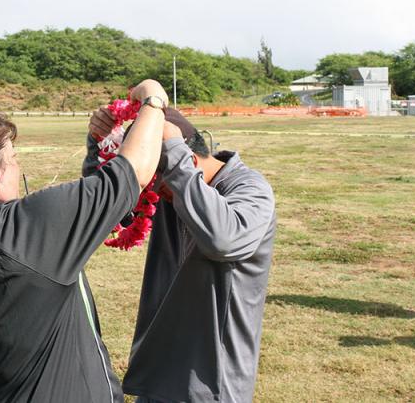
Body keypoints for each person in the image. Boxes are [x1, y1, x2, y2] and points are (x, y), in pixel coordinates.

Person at [0, 79, 169, 402]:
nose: (18, 167)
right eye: (14, 157)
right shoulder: (24, 227)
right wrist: (153, 97)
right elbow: (135, 170)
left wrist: (97, 142)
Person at [83, 107, 276, 403]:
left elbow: (224, 241)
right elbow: (107, 213)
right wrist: (99, 144)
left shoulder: (250, 188)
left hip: (211, 382)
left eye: (158, 184)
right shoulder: (171, 185)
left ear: (188, 161)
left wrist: (175, 161)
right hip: (161, 371)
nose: (154, 194)